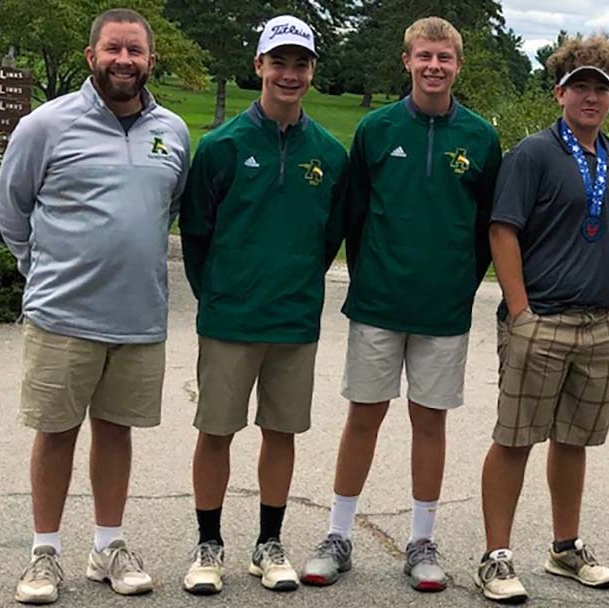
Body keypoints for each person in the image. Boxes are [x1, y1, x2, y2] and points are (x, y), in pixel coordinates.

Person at [300, 16, 501, 592]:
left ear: (457, 65)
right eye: (424, 56)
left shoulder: (480, 139)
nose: (433, 66)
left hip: (443, 310)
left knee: (429, 422)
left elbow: (487, 226)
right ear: (407, 62)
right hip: (378, 303)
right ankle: (338, 533)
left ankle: (421, 540)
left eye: (444, 57)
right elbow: (354, 217)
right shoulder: (376, 128)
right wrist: (371, 279)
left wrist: (459, 281)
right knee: (364, 415)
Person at [0, 8, 189, 604]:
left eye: (135, 50)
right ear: (91, 56)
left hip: (138, 317)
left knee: (116, 432)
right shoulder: (46, 125)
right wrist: (42, 271)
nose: (124, 60)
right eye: (113, 49)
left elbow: (168, 208)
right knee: (56, 433)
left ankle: (108, 546)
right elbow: (12, 209)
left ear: (151, 60)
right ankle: (44, 553)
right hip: (62, 316)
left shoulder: (174, 131)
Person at [177, 14, 348, 595]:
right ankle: (209, 545)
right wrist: (221, 292)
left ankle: (268, 544)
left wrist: (293, 282)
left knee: (282, 432)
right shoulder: (222, 146)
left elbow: (329, 238)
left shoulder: (328, 153)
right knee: (216, 432)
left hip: (294, 320)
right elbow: (196, 234)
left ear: (312, 72)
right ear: (259, 66)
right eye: (279, 62)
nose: (290, 74)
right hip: (229, 317)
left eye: (301, 64)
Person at [475, 34, 609, 604]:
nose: (592, 97)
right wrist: (519, 312)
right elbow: (503, 230)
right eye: (582, 87)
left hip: (600, 326)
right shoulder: (534, 153)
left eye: (602, 88)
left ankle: (564, 548)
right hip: (540, 320)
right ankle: (496, 556)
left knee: (574, 441)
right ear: (560, 93)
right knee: (515, 439)